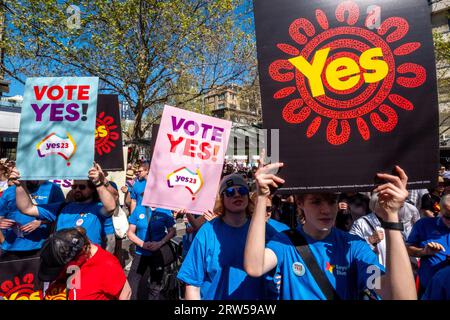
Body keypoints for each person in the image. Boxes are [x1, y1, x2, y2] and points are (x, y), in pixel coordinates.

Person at [244, 162, 417, 300]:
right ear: (300, 203)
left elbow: (401, 297)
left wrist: (391, 216)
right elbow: (254, 266)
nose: (326, 209)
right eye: (316, 201)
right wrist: (261, 198)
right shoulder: (285, 242)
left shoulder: (353, 246)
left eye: (332, 200)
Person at [177, 173, 266, 300]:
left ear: (248, 196)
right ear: (222, 199)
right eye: (230, 192)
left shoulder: (264, 231)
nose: (237, 195)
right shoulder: (207, 232)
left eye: (242, 190)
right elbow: (192, 285)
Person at [11, 163, 117, 250]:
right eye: (74, 187)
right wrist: (20, 185)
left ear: (92, 189)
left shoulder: (98, 208)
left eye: (82, 187)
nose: (77, 190)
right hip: (61, 263)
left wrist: (98, 183)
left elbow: (111, 207)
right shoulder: (62, 207)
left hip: (89, 264)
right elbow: (27, 209)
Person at [40, 227, 131, 300]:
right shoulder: (63, 254)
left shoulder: (106, 264)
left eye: (60, 269)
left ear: (79, 255)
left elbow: (126, 295)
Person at [0, 180, 65, 260]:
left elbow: (62, 216)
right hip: (10, 247)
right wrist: (1, 223)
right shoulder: (9, 191)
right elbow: (1, 215)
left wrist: (41, 222)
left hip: (40, 247)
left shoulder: (53, 188)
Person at [126, 205, 176, 300]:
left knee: (155, 286)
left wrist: (160, 243)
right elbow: (130, 232)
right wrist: (142, 244)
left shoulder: (165, 210)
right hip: (141, 253)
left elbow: (172, 231)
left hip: (157, 253)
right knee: (132, 283)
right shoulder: (139, 209)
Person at [406, 194, 450, 297]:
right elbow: (407, 248)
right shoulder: (424, 225)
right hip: (428, 289)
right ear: (440, 210)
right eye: (448, 217)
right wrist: (423, 252)